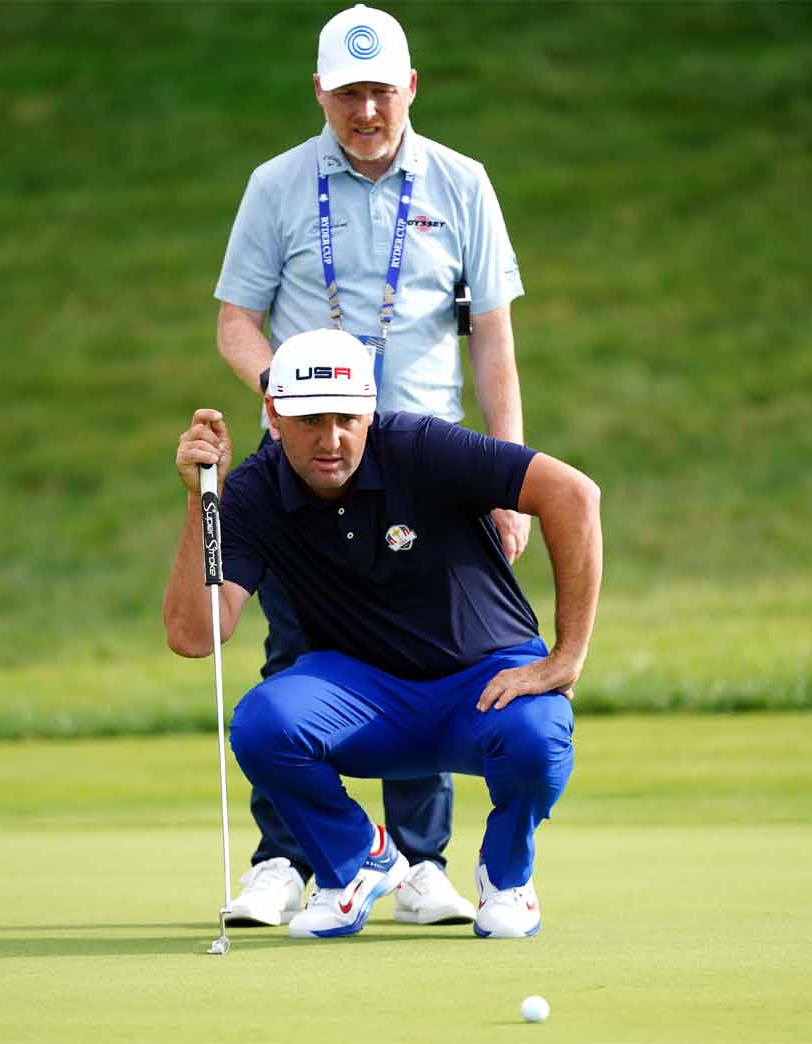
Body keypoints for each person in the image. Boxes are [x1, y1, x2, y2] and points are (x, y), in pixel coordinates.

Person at [212, 3, 531, 928]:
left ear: (411, 88)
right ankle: (286, 857)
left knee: (431, 649)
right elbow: (236, 318)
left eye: (381, 91)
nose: (365, 110)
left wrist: (508, 481)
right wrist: (287, 388)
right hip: (310, 461)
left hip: (429, 463)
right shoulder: (276, 185)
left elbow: (494, 343)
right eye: (347, 92)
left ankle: (421, 862)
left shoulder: (462, 182)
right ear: (319, 90)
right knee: (295, 649)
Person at [163, 328, 600, 939]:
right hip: (366, 700)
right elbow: (194, 634)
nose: (331, 439)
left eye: (347, 418)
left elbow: (574, 495)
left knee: (537, 735)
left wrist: (567, 657)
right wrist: (200, 503)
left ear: (371, 408)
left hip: (482, 682)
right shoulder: (253, 492)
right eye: (310, 420)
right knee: (264, 722)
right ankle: (357, 861)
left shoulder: (421, 446)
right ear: (272, 413)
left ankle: (507, 879)